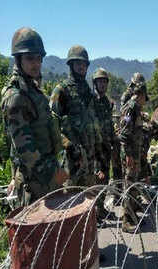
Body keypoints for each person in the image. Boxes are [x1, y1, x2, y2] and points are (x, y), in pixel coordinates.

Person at [1, 27, 68, 206]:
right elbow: (25, 150)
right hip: (35, 184)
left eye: (38, 58)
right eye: (30, 58)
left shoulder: (33, 90)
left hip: (46, 180)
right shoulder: (16, 96)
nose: (36, 63)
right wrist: (54, 173)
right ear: (18, 59)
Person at [50, 45, 103, 187]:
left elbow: (94, 123)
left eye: (84, 64)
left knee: (90, 198)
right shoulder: (61, 90)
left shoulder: (89, 93)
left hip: (90, 160)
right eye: (78, 63)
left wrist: (99, 150)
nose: (82, 67)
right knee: (71, 201)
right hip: (71, 161)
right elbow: (52, 124)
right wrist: (69, 146)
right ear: (71, 65)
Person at [118, 72, 148, 232]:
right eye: (144, 97)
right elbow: (123, 134)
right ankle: (126, 221)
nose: (145, 101)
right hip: (130, 155)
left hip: (135, 153)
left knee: (134, 185)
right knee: (128, 186)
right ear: (139, 94)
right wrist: (129, 155)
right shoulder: (130, 107)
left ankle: (133, 215)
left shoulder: (136, 108)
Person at [91, 67, 118, 219]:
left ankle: (101, 210)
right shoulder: (91, 101)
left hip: (106, 147)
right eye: (99, 82)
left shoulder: (107, 102)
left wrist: (114, 141)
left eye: (104, 82)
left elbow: (109, 124)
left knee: (105, 179)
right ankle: (95, 213)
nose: (102, 84)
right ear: (95, 83)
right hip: (96, 148)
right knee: (97, 179)